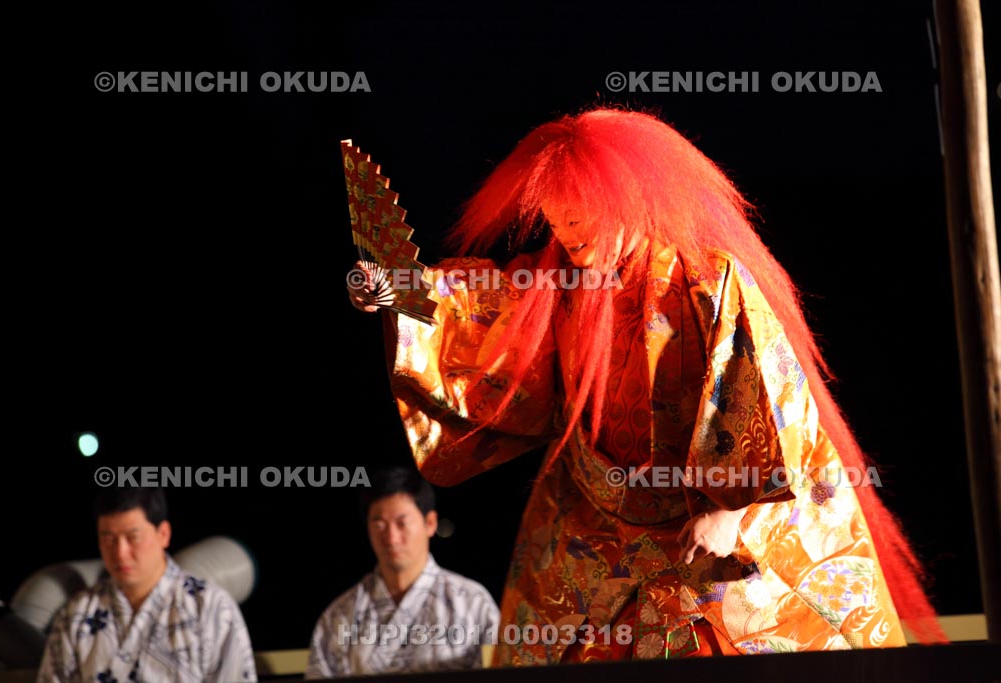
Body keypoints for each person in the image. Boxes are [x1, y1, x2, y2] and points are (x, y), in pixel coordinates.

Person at [346, 107, 946, 665]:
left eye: (581, 222)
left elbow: (765, 400)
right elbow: (485, 311)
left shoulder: (707, 283)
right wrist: (399, 291)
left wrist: (729, 511)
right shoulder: (558, 280)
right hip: (596, 515)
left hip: (699, 518)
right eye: (557, 224)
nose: (569, 238)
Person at [37, 487, 257, 682]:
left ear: (163, 534)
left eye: (133, 537)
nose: (121, 553)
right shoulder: (77, 614)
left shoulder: (210, 607)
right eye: (109, 539)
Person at [305, 466, 500, 678]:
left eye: (402, 523)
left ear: (430, 523)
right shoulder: (340, 615)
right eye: (379, 524)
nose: (391, 537)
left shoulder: (472, 602)